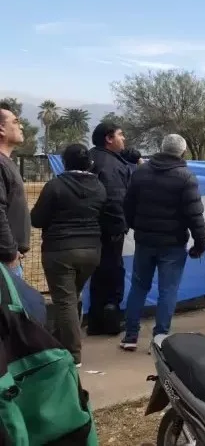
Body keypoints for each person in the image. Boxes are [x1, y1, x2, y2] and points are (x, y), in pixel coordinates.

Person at [120, 134, 205, 351]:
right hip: (173, 243)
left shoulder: (140, 172)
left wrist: (137, 226)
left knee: (139, 287)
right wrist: (200, 243)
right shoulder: (186, 177)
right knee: (168, 290)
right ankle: (160, 338)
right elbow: (195, 216)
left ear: (161, 148)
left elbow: (127, 206)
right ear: (183, 151)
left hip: (145, 240)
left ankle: (130, 336)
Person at [30, 144, 105, 366]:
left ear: (65, 162)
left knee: (65, 303)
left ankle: (73, 355)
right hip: (91, 250)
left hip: (60, 250)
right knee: (70, 300)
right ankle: (54, 342)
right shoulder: (99, 187)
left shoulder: (55, 186)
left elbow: (37, 219)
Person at [88, 121, 131, 336]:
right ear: (109, 138)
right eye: (121, 135)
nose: (124, 139)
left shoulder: (91, 158)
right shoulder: (111, 165)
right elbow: (114, 199)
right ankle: (110, 322)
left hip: (89, 228)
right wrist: (118, 226)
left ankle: (96, 322)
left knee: (98, 275)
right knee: (112, 274)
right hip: (109, 229)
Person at [0, 102, 30, 279]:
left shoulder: (7, 162)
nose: (21, 126)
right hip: (5, 262)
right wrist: (10, 252)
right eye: (15, 121)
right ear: (1, 129)